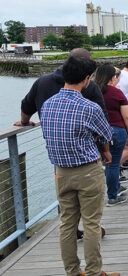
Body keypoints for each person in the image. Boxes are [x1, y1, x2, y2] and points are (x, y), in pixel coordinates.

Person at [14, 48, 108, 240]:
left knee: (67, 214)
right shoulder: (89, 87)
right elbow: (103, 123)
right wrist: (105, 150)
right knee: (91, 214)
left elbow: (27, 106)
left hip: (59, 158)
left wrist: (24, 122)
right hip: (87, 158)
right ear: (87, 73)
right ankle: (92, 264)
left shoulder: (42, 83)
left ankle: (73, 238)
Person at [39, 52, 119, 276]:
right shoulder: (89, 107)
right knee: (92, 223)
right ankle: (94, 271)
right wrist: (104, 151)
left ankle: (72, 272)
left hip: (61, 172)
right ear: (86, 79)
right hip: (87, 170)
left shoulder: (47, 105)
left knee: (67, 223)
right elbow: (105, 134)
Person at [94, 64, 128, 207]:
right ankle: (112, 196)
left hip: (96, 133)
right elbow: (127, 117)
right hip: (116, 131)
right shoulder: (116, 93)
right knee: (113, 164)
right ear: (112, 77)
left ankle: (108, 190)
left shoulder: (91, 91)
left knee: (98, 164)